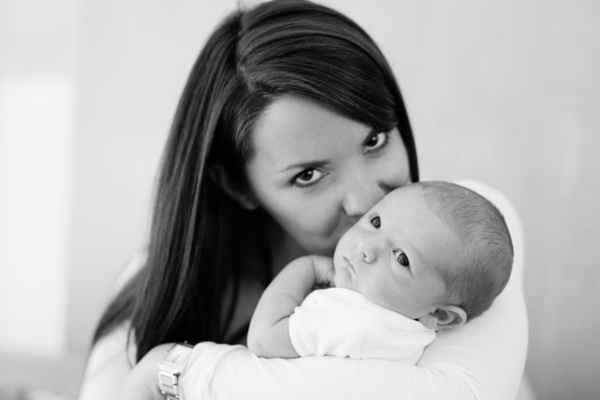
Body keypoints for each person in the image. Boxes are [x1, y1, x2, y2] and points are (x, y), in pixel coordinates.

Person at [78, 1, 528, 399]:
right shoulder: (153, 289)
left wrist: (174, 370)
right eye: (309, 175)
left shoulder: (465, 237)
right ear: (237, 186)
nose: (366, 200)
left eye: (374, 140)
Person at [247, 181, 513, 362]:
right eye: (376, 222)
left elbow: (262, 340)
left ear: (440, 314)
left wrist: (307, 267)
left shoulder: (353, 321)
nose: (365, 247)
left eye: (401, 258)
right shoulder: (403, 337)